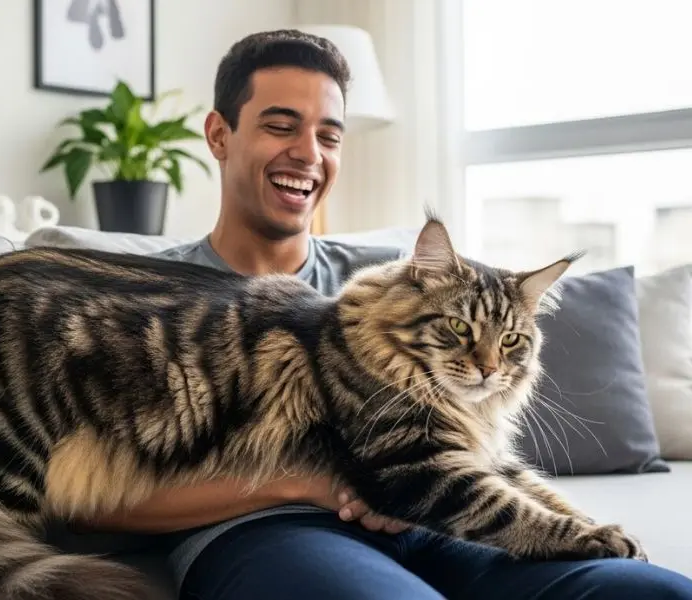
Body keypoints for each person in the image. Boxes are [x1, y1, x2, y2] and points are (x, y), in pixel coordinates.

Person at [60, 29, 692, 600]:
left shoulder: (399, 277)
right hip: (268, 529)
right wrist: (308, 484)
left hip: (446, 516)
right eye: (281, 126)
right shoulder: (145, 297)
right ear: (220, 135)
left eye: (328, 135)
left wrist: (569, 523)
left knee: (643, 591)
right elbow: (79, 492)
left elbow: (476, 438)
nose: (308, 153)